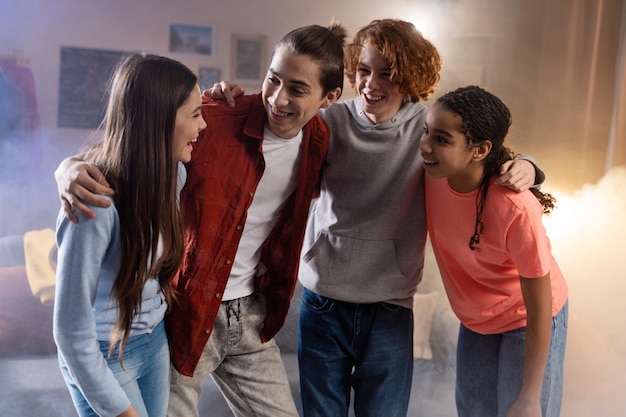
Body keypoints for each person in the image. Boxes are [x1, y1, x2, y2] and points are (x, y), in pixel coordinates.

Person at [212, 18, 543, 417]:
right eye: (364, 71)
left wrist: (530, 165)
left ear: (410, 78)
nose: (371, 83)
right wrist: (223, 98)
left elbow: (481, 153)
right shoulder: (327, 122)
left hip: (389, 307)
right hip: (322, 303)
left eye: (387, 75)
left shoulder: (428, 128)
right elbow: (277, 113)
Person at [54, 23, 347, 417]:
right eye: (273, 80)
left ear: (329, 97)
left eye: (297, 89)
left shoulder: (319, 140)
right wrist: (69, 167)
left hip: (251, 314)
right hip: (187, 311)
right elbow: (134, 141)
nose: (277, 98)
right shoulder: (215, 119)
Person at [53, 53, 206, 417]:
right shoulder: (95, 206)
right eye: (196, 114)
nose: (204, 126)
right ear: (160, 118)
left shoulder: (173, 176)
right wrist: (66, 169)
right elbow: (71, 335)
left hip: (153, 342)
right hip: (102, 354)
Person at [420, 85, 568, 417]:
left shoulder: (515, 208)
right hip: (477, 319)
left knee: (520, 411)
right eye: (426, 132)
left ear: (481, 149)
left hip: (526, 317)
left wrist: (530, 397)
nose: (425, 145)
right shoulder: (431, 173)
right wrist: (531, 164)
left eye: (442, 139)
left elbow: (540, 310)